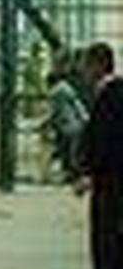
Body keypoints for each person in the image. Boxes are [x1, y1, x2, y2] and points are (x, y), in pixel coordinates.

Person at [77, 42, 123, 269]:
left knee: (106, 235)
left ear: (97, 64)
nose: (83, 71)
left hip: (111, 180)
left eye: (85, 64)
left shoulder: (111, 95)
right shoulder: (111, 92)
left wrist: (90, 173)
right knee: (111, 234)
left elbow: (106, 141)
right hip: (110, 178)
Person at [45, 57, 89, 185]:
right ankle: (73, 176)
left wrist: (45, 122)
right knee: (72, 152)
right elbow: (77, 105)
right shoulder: (67, 88)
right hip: (76, 124)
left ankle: (75, 177)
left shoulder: (56, 92)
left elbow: (54, 112)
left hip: (68, 126)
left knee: (70, 153)